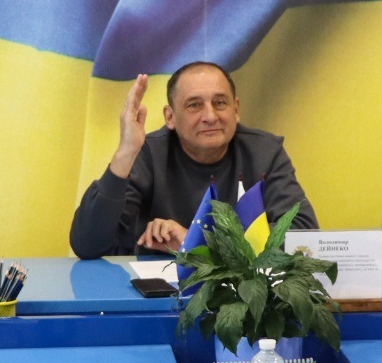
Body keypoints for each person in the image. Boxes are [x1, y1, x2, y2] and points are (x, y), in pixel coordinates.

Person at [69, 61, 317, 258]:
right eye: (194, 105)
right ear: (170, 117)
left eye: (220, 103)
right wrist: (125, 152)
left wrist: (197, 242)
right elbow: (87, 244)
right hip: (156, 295)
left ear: (236, 109)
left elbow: (303, 235)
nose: (210, 116)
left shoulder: (265, 152)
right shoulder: (147, 153)